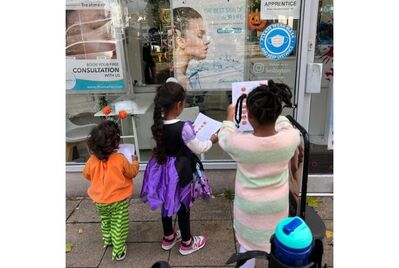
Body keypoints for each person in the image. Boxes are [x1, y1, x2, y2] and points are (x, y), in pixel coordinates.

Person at [218, 80, 300, 268]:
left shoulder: (240, 144)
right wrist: (274, 108)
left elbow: (224, 137)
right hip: (277, 209)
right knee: (275, 246)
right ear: (277, 112)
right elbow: (286, 125)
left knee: (247, 250)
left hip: (248, 212)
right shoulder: (290, 139)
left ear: (250, 118)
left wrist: (229, 118)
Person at [140, 79, 218, 255]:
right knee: (183, 205)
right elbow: (199, 147)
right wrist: (212, 140)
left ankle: (168, 237)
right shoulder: (184, 127)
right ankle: (187, 242)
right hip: (179, 171)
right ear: (178, 105)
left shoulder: (157, 124)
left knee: (166, 201)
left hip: (161, 169)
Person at [83, 120, 139, 261]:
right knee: (119, 223)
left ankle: (108, 239)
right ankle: (119, 250)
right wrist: (134, 161)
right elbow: (132, 172)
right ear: (115, 143)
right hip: (117, 200)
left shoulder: (92, 160)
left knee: (105, 220)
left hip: (99, 199)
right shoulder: (119, 159)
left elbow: (86, 174)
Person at [173, 7, 210, 90]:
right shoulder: (177, 81)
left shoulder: (181, 75)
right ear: (181, 42)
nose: (206, 41)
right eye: (200, 35)